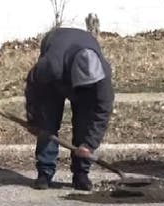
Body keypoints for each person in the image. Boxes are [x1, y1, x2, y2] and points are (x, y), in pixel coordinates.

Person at [25, 27, 114, 191]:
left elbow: (102, 111)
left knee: (85, 124)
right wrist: (33, 118)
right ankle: (44, 173)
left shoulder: (102, 78)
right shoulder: (51, 66)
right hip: (55, 77)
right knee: (47, 124)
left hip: (76, 65)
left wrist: (89, 144)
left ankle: (81, 174)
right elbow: (33, 86)